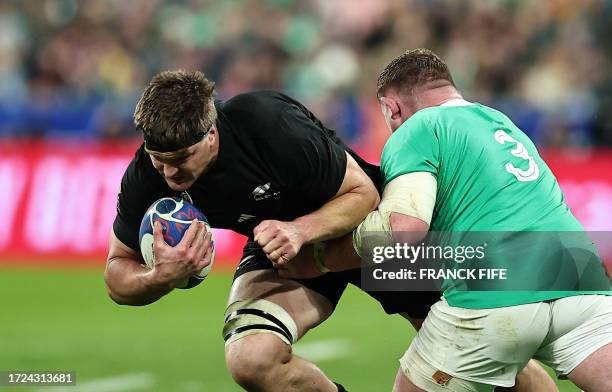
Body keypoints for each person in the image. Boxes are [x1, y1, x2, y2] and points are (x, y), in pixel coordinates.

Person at [280, 48, 612, 392]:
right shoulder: (500, 121)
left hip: (496, 291)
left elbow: (404, 233)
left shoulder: (419, 127)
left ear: (391, 107)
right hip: (580, 280)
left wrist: (322, 258)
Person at [103, 70, 438, 392]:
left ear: (212, 134)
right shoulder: (147, 175)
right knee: (251, 359)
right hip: (282, 248)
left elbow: (362, 193)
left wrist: (299, 231)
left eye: (182, 157)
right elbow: (117, 273)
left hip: (360, 229)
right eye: (159, 157)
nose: (170, 172)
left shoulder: (268, 123)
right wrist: (158, 277)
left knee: (454, 342)